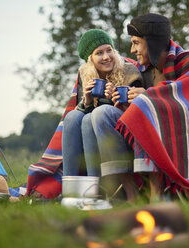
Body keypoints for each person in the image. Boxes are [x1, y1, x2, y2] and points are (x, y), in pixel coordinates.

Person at [91, 13, 189, 202]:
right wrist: (121, 98)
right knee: (102, 114)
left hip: (185, 135)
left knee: (144, 105)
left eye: (136, 43)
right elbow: (135, 108)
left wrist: (147, 97)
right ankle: (130, 194)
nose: (132, 50)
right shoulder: (140, 69)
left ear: (152, 42)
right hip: (149, 132)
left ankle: (156, 192)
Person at [26, 29, 143, 198]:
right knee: (73, 116)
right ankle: (71, 190)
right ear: (90, 59)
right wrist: (87, 100)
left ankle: (94, 189)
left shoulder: (129, 71)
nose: (106, 57)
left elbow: (136, 109)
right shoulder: (85, 75)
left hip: (121, 131)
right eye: (99, 53)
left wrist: (114, 97)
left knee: (90, 119)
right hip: (93, 132)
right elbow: (81, 112)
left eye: (109, 50)